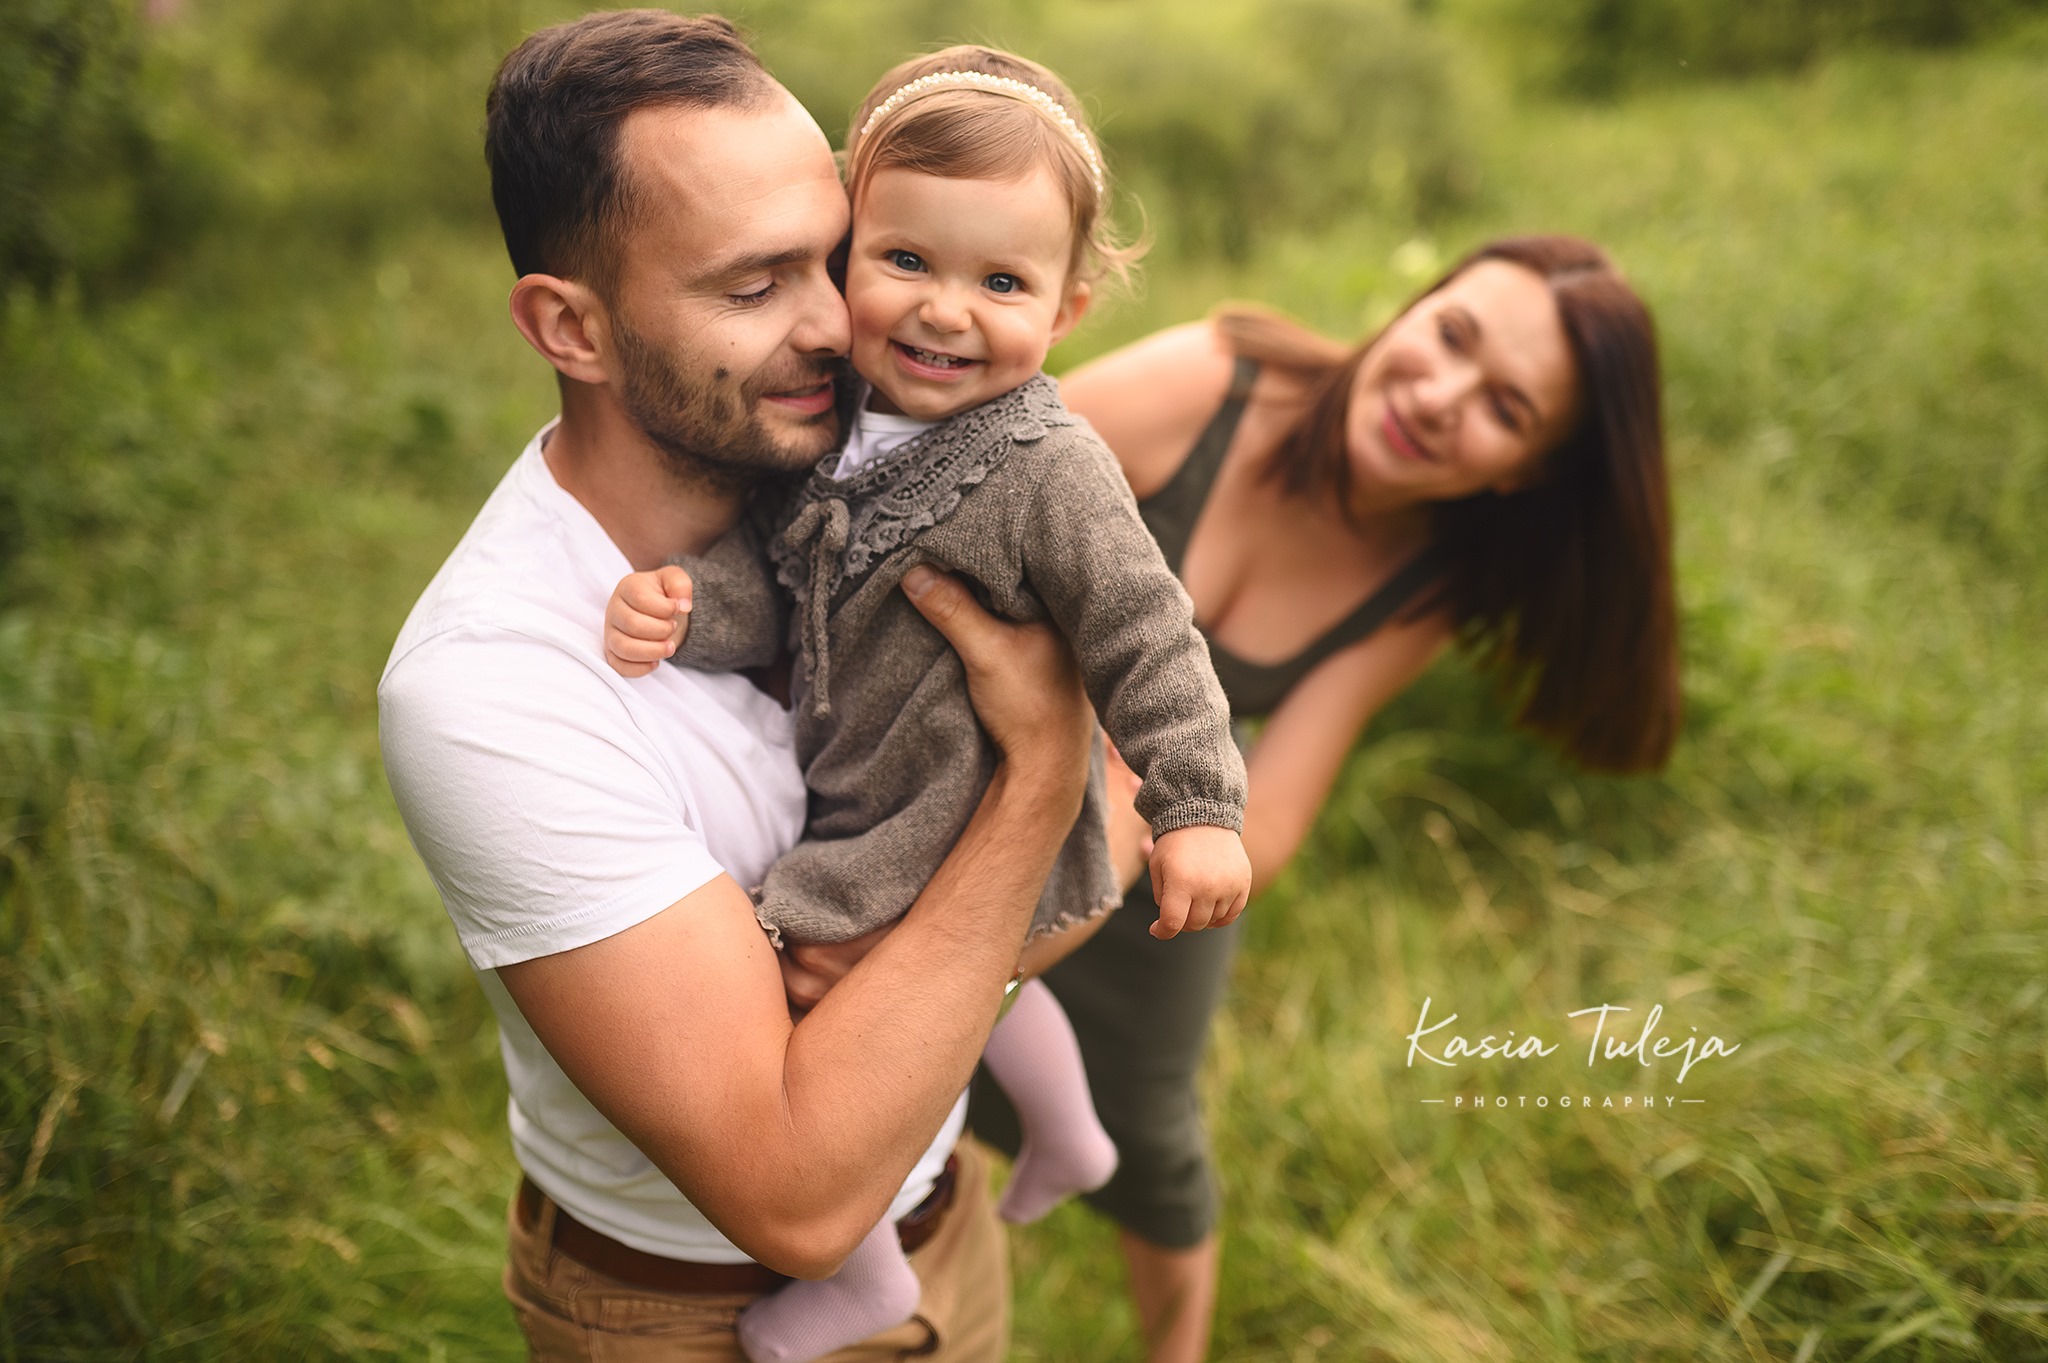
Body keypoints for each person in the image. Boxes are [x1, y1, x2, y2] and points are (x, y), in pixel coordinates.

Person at [377, 13, 1103, 1361]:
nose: (837, 323)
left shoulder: (893, 448)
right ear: (571, 326)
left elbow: (1152, 783)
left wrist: (899, 971)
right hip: (696, 1311)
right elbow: (797, 1192)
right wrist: (1039, 779)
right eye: (753, 286)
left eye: (832, 254)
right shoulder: (491, 686)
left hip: (952, 1225)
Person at [598, 45, 1251, 1363]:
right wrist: (687, 608)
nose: (946, 311)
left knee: (799, 989)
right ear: (844, 257)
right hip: (873, 778)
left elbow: (1147, 634)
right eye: (906, 261)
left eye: (1000, 283)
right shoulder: (831, 420)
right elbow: (777, 580)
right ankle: (1066, 1131)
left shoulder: (1049, 469)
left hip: (939, 812)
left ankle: (867, 1269)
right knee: (966, 1001)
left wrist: (1196, 806)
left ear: (1065, 308)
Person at [963, 235, 1682, 1360]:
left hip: (1166, 831)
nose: (1438, 398)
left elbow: (1273, 817)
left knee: (1149, 1128)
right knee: (890, 1021)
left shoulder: (1424, 583)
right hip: (958, 736)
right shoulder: (1211, 381)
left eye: (1504, 409)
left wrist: (1131, 829)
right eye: (1449, 335)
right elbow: (958, 492)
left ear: (1523, 473)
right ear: (1412, 307)